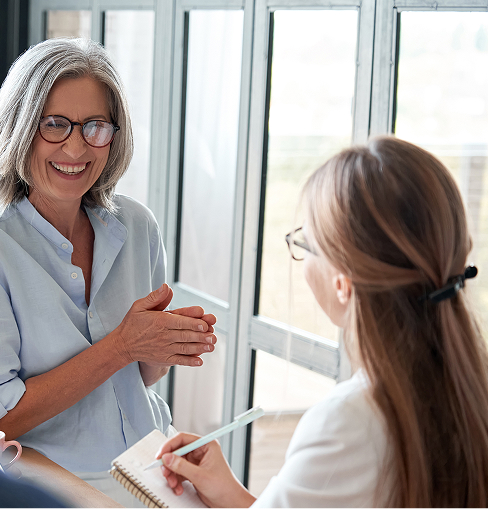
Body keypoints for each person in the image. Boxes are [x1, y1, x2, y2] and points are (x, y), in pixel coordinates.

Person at [0, 37, 217, 504]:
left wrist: (163, 344)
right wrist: (122, 345)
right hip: (50, 486)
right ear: (20, 127)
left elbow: (141, 378)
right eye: (55, 125)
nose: (77, 147)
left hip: (153, 462)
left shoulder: (137, 225)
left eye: (95, 126)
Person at [156, 136, 488, 507]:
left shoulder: (349, 424)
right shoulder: (467, 388)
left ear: (343, 283)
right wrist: (232, 495)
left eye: (306, 244)